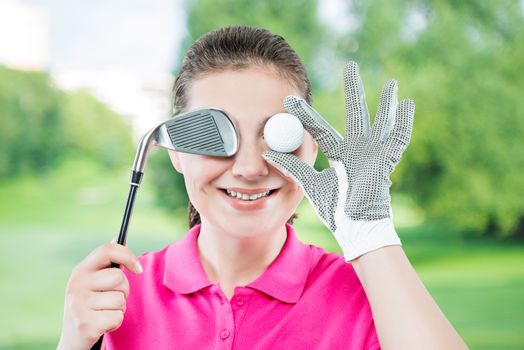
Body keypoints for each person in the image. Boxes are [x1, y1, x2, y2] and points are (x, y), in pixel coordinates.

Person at [57, 26, 468, 349]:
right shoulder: (119, 295)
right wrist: (73, 344)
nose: (251, 167)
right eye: (214, 135)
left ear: (312, 148)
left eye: (278, 135)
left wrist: (373, 238)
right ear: (176, 152)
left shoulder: (370, 294)